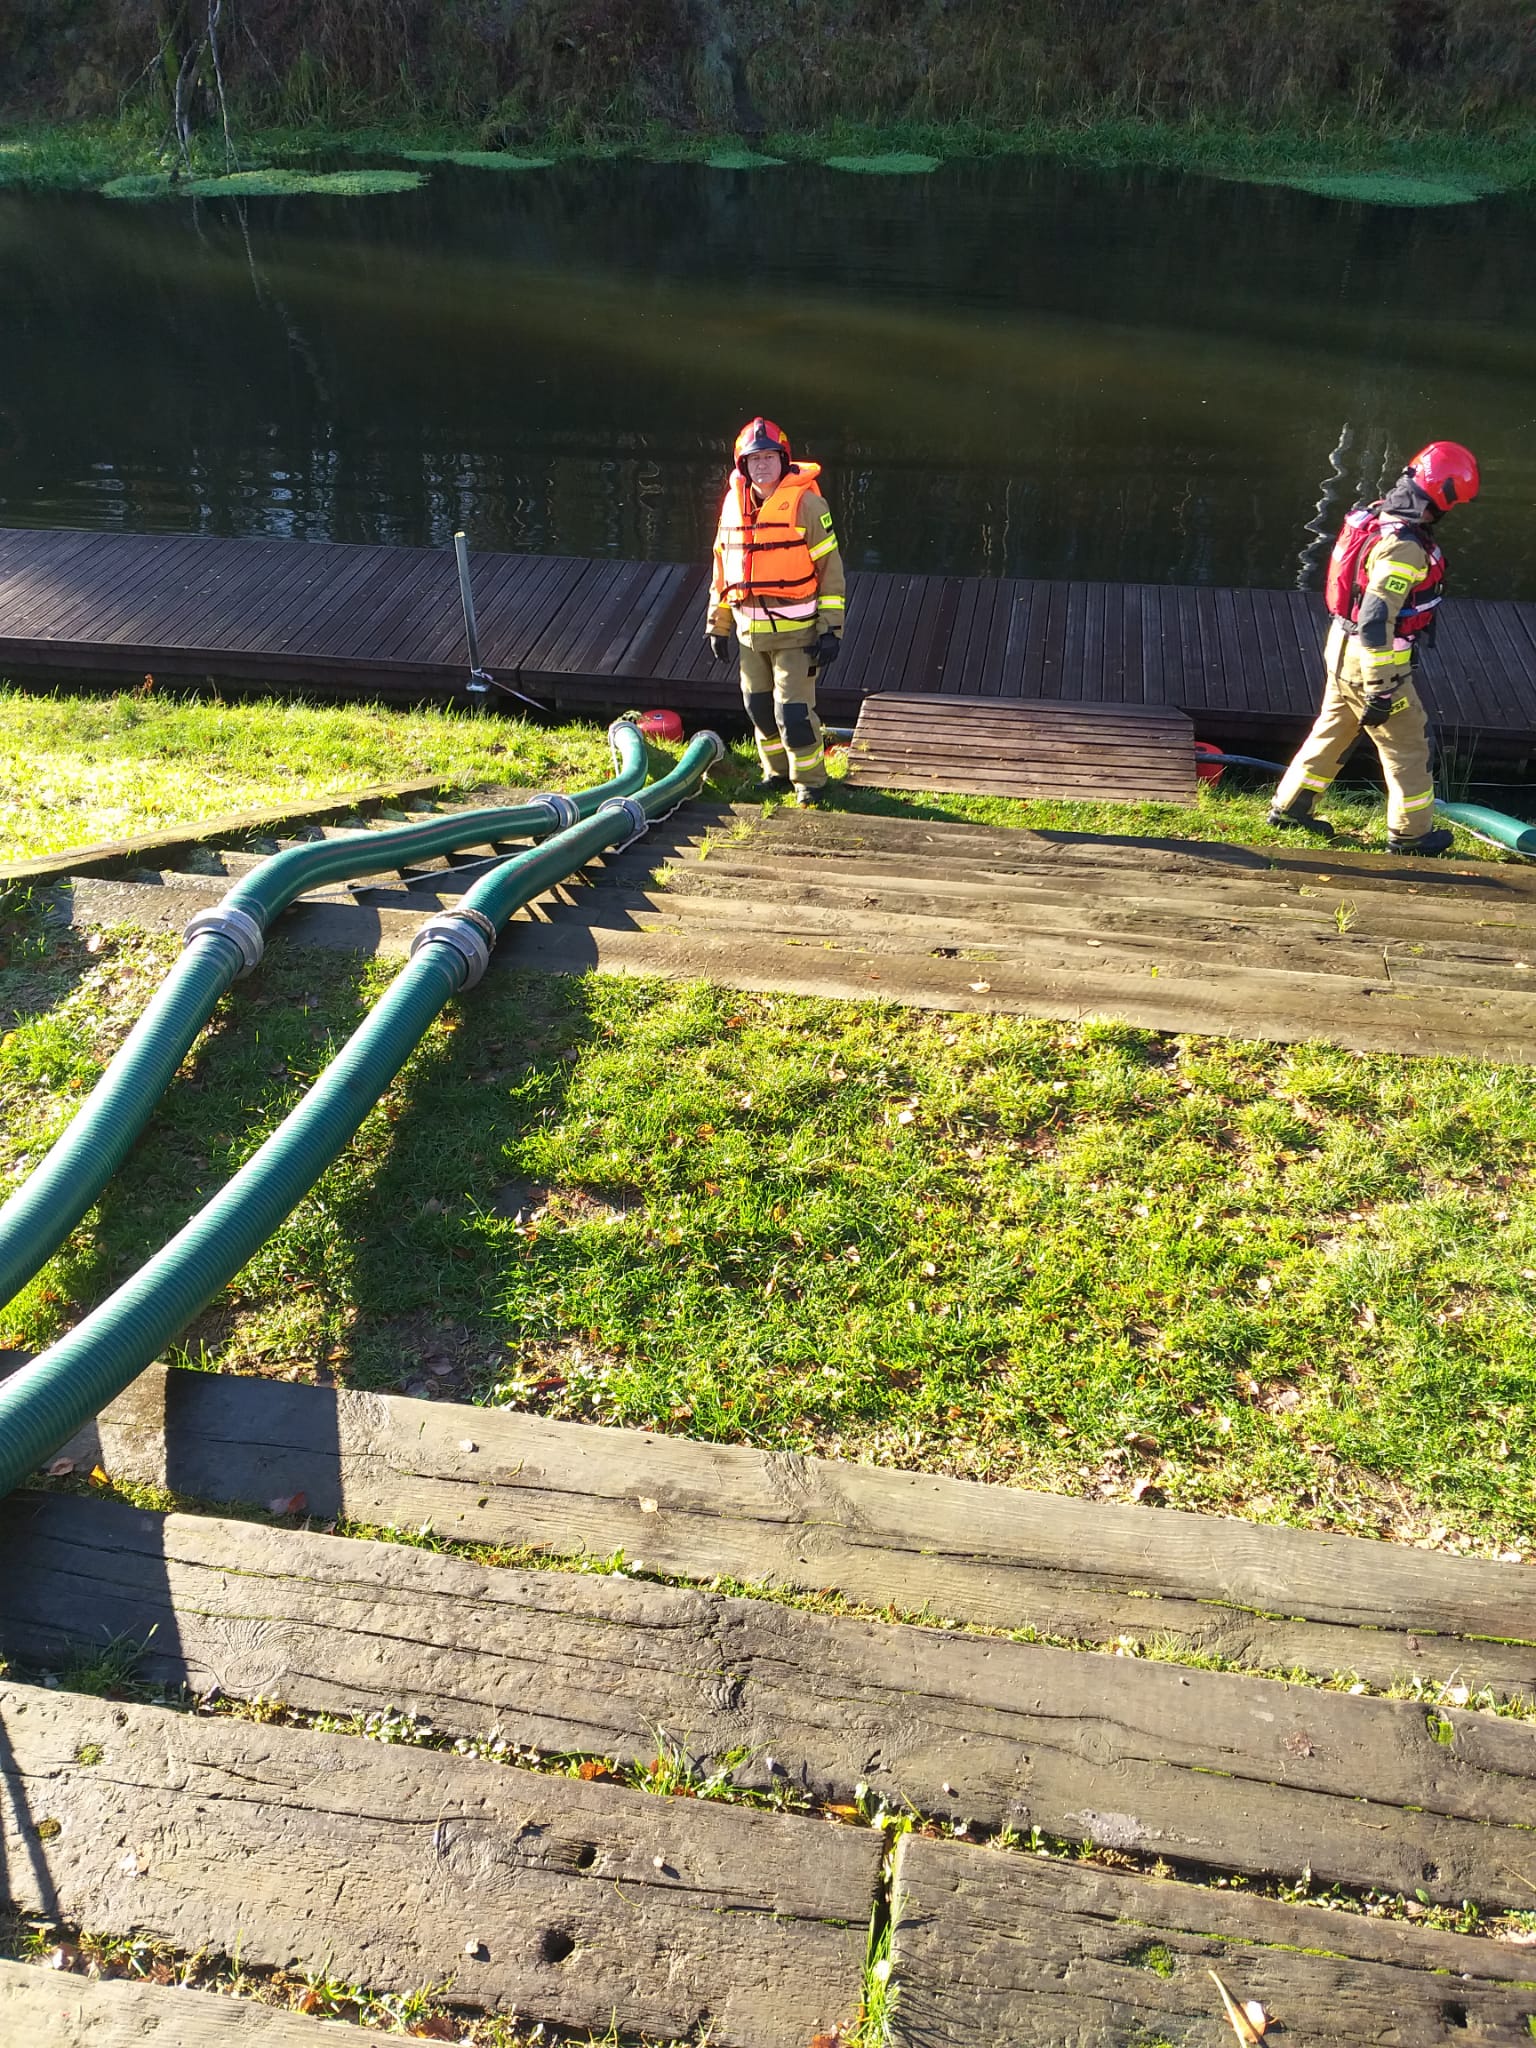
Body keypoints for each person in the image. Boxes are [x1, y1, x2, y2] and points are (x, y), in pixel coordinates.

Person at [1269, 440, 1480, 856]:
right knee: (1409, 749)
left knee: (1332, 730)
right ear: (1443, 496)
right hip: (1374, 664)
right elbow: (1375, 617)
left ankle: (1290, 808)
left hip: (1340, 649)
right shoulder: (1405, 547)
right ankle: (1411, 836)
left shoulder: (1376, 515)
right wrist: (1381, 688)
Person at [706, 417, 846, 806]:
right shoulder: (732, 506)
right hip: (749, 635)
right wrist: (718, 623)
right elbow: (722, 569)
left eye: (770, 457)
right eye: (755, 459)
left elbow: (830, 571)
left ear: (783, 460)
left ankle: (811, 782)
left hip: (797, 634)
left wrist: (830, 629)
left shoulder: (808, 505)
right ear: (743, 465)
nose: (763, 465)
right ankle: (776, 773)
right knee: (759, 708)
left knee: (794, 713)